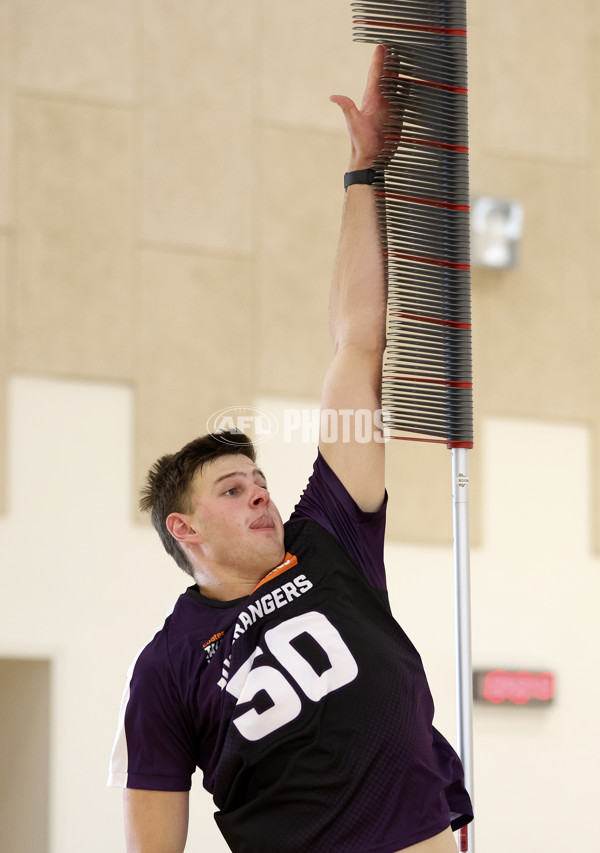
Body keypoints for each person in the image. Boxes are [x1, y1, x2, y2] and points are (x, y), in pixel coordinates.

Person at [108, 45, 474, 852]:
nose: (261, 495)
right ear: (185, 529)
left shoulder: (329, 538)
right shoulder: (168, 666)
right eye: (232, 490)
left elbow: (356, 346)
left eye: (259, 480)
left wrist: (364, 174)